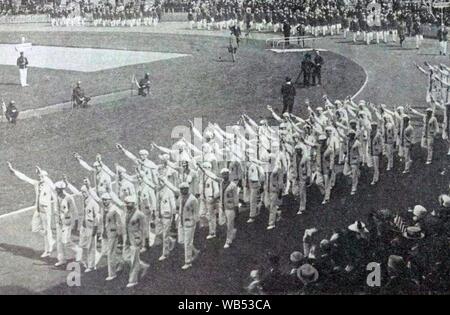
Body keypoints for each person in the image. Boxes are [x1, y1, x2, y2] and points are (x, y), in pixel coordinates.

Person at [7, 162, 56, 258]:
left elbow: (49, 181)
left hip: (46, 210)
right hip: (38, 209)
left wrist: (40, 171)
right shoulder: (36, 184)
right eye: (40, 176)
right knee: (35, 228)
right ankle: (50, 239)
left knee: (47, 229)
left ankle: (48, 250)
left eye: (42, 176)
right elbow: (24, 177)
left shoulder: (49, 185)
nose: (40, 178)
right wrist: (13, 171)